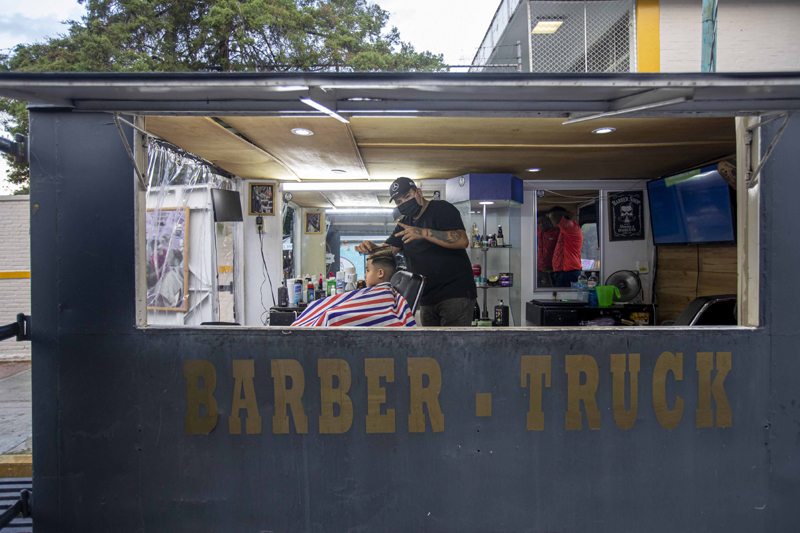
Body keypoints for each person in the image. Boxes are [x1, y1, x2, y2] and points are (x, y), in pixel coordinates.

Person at [355, 177, 476, 326]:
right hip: (426, 297)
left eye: (407, 196)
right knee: (430, 347)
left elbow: (462, 240)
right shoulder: (404, 224)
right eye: (399, 202)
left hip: (455, 294)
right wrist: (372, 247)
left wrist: (423, 233)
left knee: (454, 346)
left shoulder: (441, 209)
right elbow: (387, 252)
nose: (404, 203)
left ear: (418, 192)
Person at [291, 249, 415, 327]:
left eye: (368, 270)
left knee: (329, 314)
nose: (365, 275)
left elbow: (334, 317)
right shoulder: (387, 293)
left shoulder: (385, 295)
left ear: (380, 273)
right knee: (318, 306)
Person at [547, 206, 583, 287]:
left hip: (569, 273)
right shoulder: (564, 230)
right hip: (564, 273)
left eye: (552, 218)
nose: (551, 221)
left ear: (561, 217)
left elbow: (559, 219)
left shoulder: (571, 226)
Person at [537, 214, 560, 286]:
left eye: (543, 221)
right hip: (540, 269)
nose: (541, 224)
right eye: (538, 223)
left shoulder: (557, 233)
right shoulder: (539, 233)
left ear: (549, 221)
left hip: (554, 270)